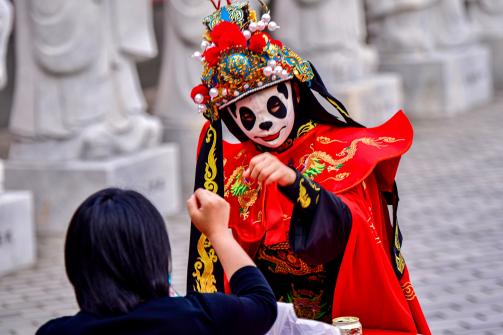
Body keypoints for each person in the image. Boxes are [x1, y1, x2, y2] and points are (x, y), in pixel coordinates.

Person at [186, 1, 431, 334]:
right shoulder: (232, 170)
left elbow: (353, 225)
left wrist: (296, 184)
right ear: (231, 120)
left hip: (341, 310)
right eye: (248, 117)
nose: (266, 123)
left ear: (295, 96)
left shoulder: (343, 149)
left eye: (274, 105)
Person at [36, 188, 277, 335]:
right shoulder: (194, 318)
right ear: (156, 254)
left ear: (76, 265)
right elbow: (262, 303)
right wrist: (218, 233)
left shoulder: (56, 332)